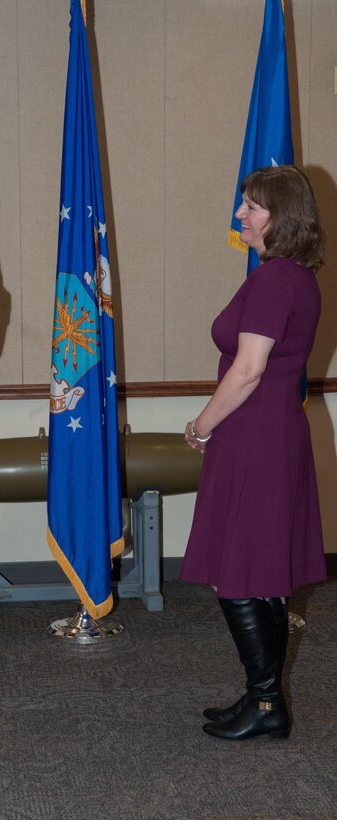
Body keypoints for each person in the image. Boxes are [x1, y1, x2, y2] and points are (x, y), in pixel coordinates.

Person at [180, 165, 326, 741]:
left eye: (251, 206)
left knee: (239, 576)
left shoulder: (273, 280)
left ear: (281, 216)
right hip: (271, 433)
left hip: (253, 435)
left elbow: (248, 370)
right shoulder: (296, 277)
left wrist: (201, 425)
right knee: (262, 575)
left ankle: (268, 702)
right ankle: (262, 695)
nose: (240, 214)